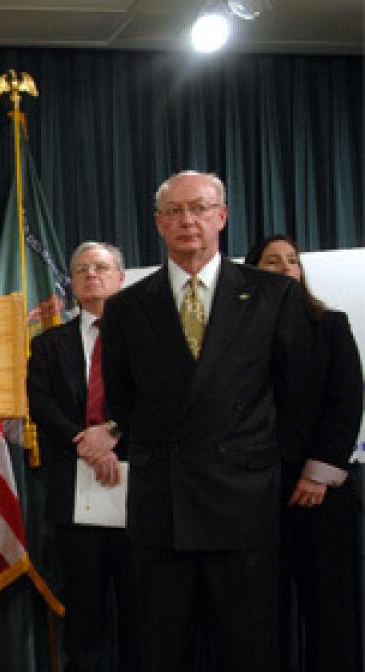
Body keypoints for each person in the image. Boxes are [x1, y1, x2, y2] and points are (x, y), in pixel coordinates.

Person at [101, 171, 312, 672]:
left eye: (198, 207)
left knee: (251, 650)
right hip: (162, 508)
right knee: (160, 652)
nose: (187, 220)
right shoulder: (128, 306)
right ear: (158, 223)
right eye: (174, 211)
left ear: (222, 216)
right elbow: (124, 401)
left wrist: (267, 467)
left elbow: (295, 396)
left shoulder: (271, 296)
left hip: (244, 504)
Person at [245, 234, 363, 672]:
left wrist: (317, 474)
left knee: (329, 615)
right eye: (272, 261)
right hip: (254, 494)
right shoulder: (235, 337)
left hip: (320, 493)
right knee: (259, 619)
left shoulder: (330, 325)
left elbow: (346, 401)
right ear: (253, 273)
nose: (284, 267)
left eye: (291, 260)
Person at [27, 242, 139, 672]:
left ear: (119, 278)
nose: (91, 274)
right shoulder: (49, 344)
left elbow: (157, 398)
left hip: (140, 495)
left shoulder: (147, 338)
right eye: (81, 269)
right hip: (74, 494)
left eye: (101, 267)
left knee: (140, 612)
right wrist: (85, 443)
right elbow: (41, 405)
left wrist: (112, 433)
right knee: (84, 614)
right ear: (71, 283)